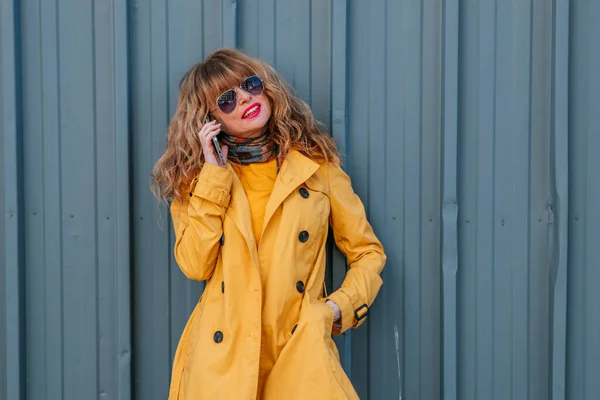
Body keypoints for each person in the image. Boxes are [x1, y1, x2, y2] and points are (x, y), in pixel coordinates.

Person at [152, 48, 386, 400]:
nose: (245, 98)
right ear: (209, 119)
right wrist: (214, 174)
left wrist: (333, 311)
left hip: (298, 349)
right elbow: (195, 265)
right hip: (223, 361)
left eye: (250, 84)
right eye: (227, 100)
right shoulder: (198, 182)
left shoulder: (317, 167)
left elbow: (367, 252)